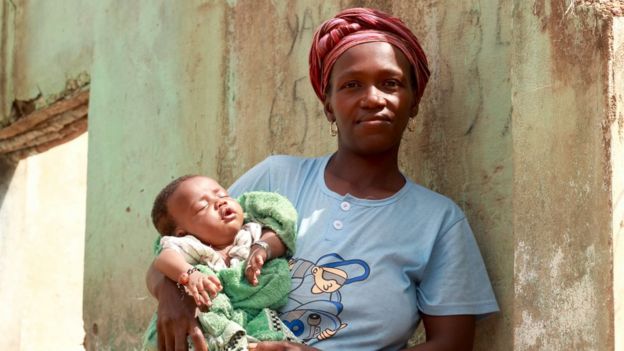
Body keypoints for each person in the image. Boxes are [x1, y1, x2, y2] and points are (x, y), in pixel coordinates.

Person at [147, 7, 499, 351]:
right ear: (328, 104)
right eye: (351, 85)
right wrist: (172, 295)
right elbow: (173, 254)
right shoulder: (276, 179)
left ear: (414, 100)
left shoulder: (438, 221)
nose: (372, 99)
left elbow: (453, 343)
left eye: (390, 83)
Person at [143, 175, 300, 350]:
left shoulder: (251, 230)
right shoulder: (191, 244)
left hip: (252, 314)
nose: (220, 203)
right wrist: (190, 273)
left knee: (272, 334)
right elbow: (164, 259)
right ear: (181, 232)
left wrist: (263, 249)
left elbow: (279, 237)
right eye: (203, 206)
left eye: (223, 195)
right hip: (212, 316)